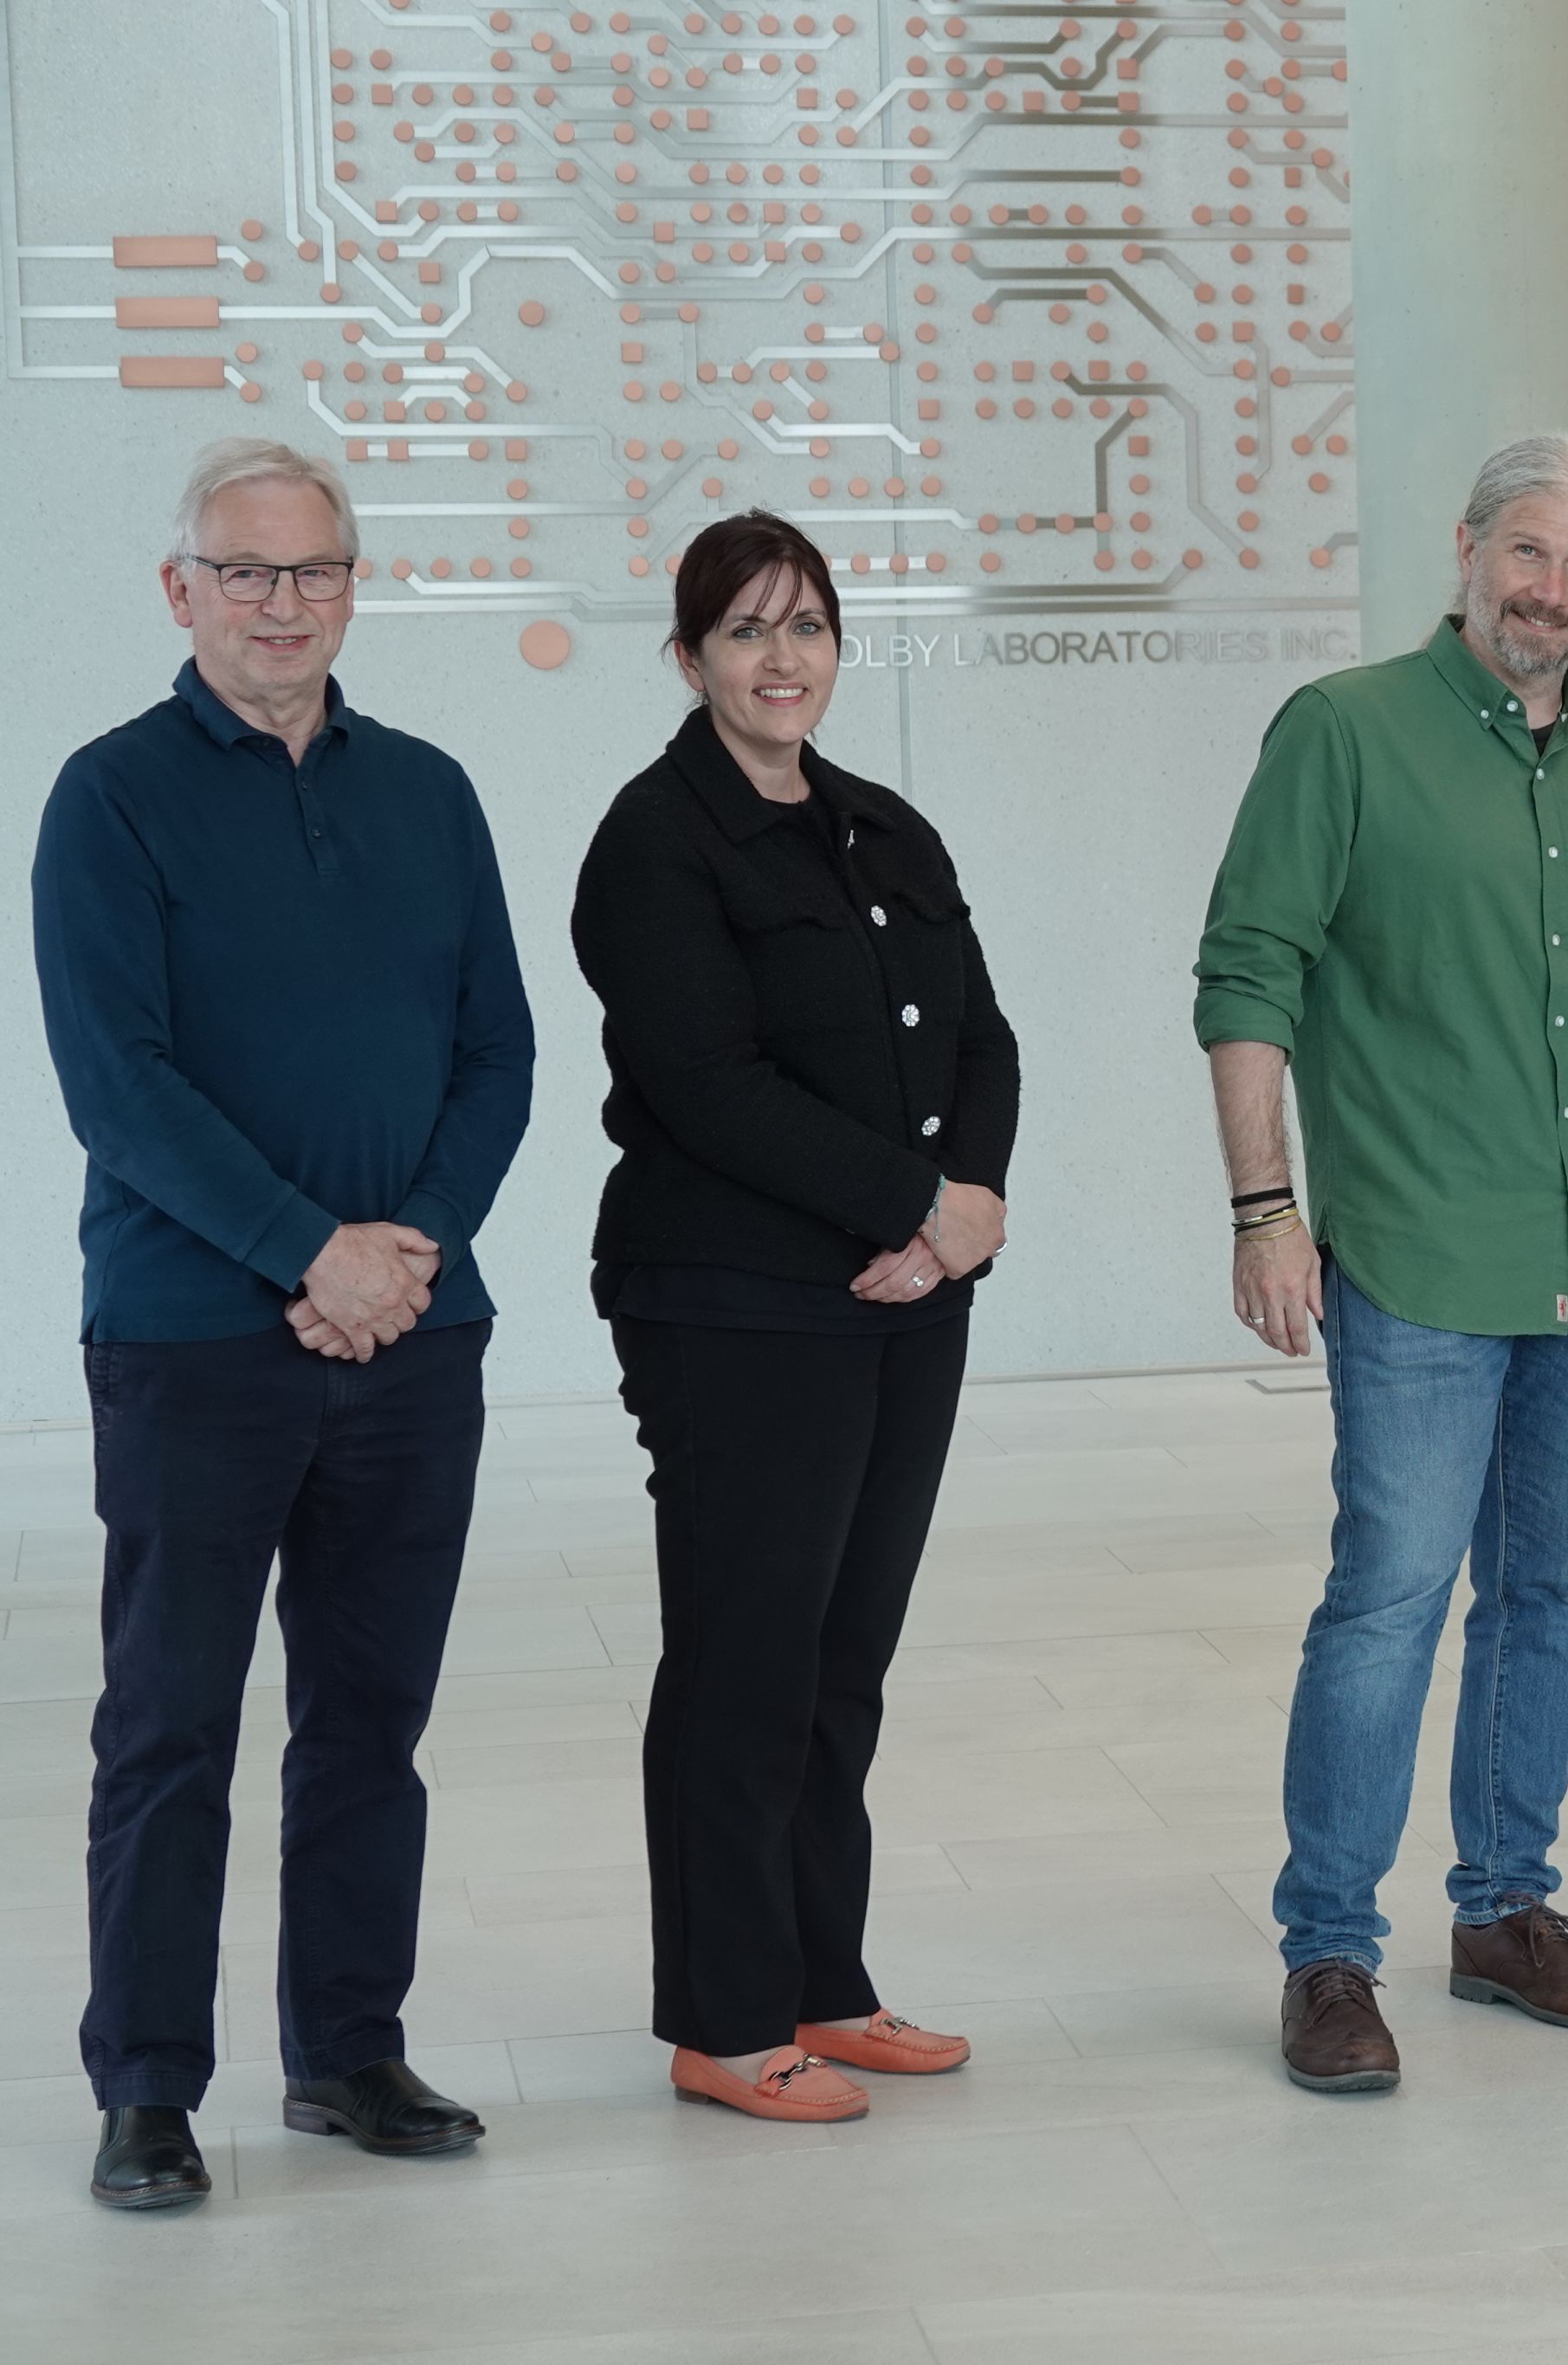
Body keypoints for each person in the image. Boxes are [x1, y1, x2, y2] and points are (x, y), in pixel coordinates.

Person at [1195, 435, 1568, 2096]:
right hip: (1421, 1257)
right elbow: (1248, 975)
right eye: (1528, 553)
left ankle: (1508, 1908)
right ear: (1465, 552)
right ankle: (1329, 1951)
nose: (1554, 592)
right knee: (1387, 1604)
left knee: (1555, 1602)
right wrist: (1263, 1209)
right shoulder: (1346, 734)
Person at [33, 440, 535, 2208]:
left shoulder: (431, 791)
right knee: (171, 1719)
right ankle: (150, 2084)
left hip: (417, 1332)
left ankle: (344, 2049)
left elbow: (499, 1053)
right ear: (182, 591)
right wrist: (304, 1252)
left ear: (351, 588)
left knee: (367, 1715)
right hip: (189, 1335)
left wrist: (407, 1250)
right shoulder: (109, 799)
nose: (281, 604)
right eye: (244, 573)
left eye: (313, 571)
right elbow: (124, 1089)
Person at [571, 511, 1021, 2125]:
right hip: (736, 1308)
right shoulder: (655, 840)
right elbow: (706, 1083)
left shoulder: (882, 822)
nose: (784, 658)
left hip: (908, 1305)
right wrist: (909, 1208)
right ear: (688, 657)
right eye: (748, 630)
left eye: (809, 626)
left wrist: (966, 1207)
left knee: (845, 1660)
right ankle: (725, 2012)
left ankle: (827, 1982)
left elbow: (981, 1036)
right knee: (746, 1661)